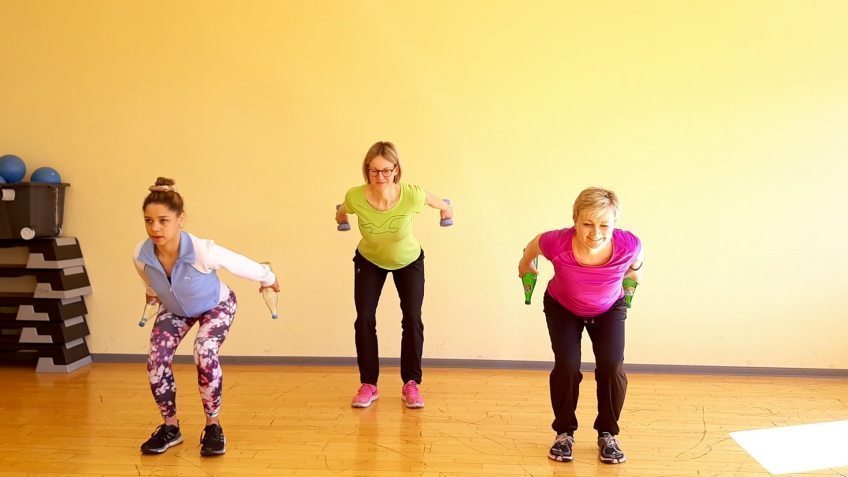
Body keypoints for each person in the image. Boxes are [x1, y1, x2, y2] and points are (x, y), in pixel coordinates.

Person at [132, 177, 280, 456]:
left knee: (204, 351)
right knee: (156, 360)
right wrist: (152, 294)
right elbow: (148, 280)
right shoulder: (140, 254)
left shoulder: (201, 250)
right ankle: (170, 427)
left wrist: (268, 278)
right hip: (176, 310)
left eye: (163, 220)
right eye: (148, 221)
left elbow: (239, 263)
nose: (155, 227)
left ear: (180, 220)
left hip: (216, 305)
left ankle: (213, 426)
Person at [518, 187, 643, 465]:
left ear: (614, 224)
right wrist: (525, 263)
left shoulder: (628, 244)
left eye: (604, 225)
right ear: (574, 220)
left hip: (609, 308)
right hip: (562, 307)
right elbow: (534, 245)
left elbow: (637, 263)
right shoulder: (557, 242)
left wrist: (635, 275)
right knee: (567, 364)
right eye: (587, 223)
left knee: (611, 366)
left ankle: (608, 434)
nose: (595, 233)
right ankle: (564, 433)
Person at [335, 141, 452, 409]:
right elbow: (342, 210)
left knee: (412, 318)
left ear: (396, 169)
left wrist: (447, 213)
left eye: (386, 171)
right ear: (367, 170)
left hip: (408, 261)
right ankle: (369, 384)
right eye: (374, 171)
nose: (380, 177)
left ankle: (411, 383)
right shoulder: (355, 196)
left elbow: (443, 205)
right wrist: (341, 220)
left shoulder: (411, 194)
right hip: (369, 260)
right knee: (364, 319)